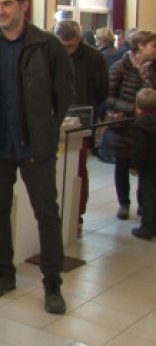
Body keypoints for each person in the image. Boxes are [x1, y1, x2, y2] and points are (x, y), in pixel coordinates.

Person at [0, 0, 73, 315]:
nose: (0, 11)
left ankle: (53, 285)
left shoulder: (47, 46)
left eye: (6, 4)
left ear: (24, 5)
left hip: (35, 145)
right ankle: (5, 273)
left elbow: (63, 96)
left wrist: (45, 130)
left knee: (46, 214)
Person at [54, 20, 108, 235]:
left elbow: (102, 90)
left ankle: (77, 215)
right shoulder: (50, 53)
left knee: (78, 169)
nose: (67, 50)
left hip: (82, 120)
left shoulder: (94, 57)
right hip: (54, 119)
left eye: (71, 46)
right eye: (63, 45)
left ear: (79, 39)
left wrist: (90, 112)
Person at [104, 30, 156, 220]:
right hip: (125, 125)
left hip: (149, 126)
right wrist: (132, 109)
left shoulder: (153, 68)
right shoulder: (120, 67)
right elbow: (107, 97)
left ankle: (145, 204)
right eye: (153, 45)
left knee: (148, 166)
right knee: (122, 164)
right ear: (140, 46)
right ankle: (124, 203)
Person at [130, 88, 156, 240]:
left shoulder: (139, 126)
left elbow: (140, 149)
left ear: (138, 107)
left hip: (148, 167)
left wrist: (135, 166)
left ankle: (147, 227)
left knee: (147, 196)